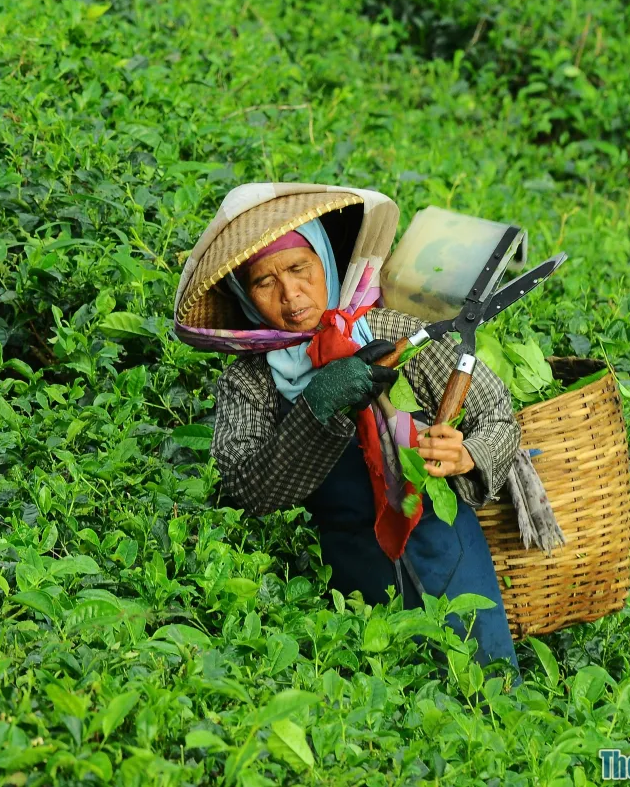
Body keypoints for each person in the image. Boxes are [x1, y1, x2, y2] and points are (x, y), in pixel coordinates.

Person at [180, 187, 522, 681]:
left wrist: (468, 453)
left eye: (300, 268)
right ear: (243, 296)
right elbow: (247, 487)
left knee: (490, 693)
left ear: (325, 260)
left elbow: (496, 412)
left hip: (450, 554)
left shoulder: (389, 329)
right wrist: (317, 406)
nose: (291, 294)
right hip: (353, 575)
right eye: (265, 282)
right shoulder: (250, 380)